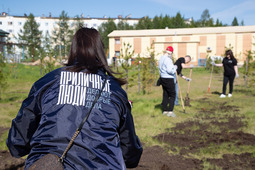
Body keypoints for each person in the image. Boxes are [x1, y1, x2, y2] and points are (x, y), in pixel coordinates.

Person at [6, 28, 143, 169]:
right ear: (101, 51)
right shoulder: (114, 89)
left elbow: (19, 139)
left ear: (73, 49)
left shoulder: (48, 81)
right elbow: (130, 151)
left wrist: (22, 146)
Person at [158, 46, 177, 117]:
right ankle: (170, 112)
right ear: (171, 53)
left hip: (162, 78)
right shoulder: (168, 60)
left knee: (165, 94)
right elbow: (169, 70)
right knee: (172, 95)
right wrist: (174, 69)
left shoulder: (161, 58)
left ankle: (165, 110)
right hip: (168, 78)